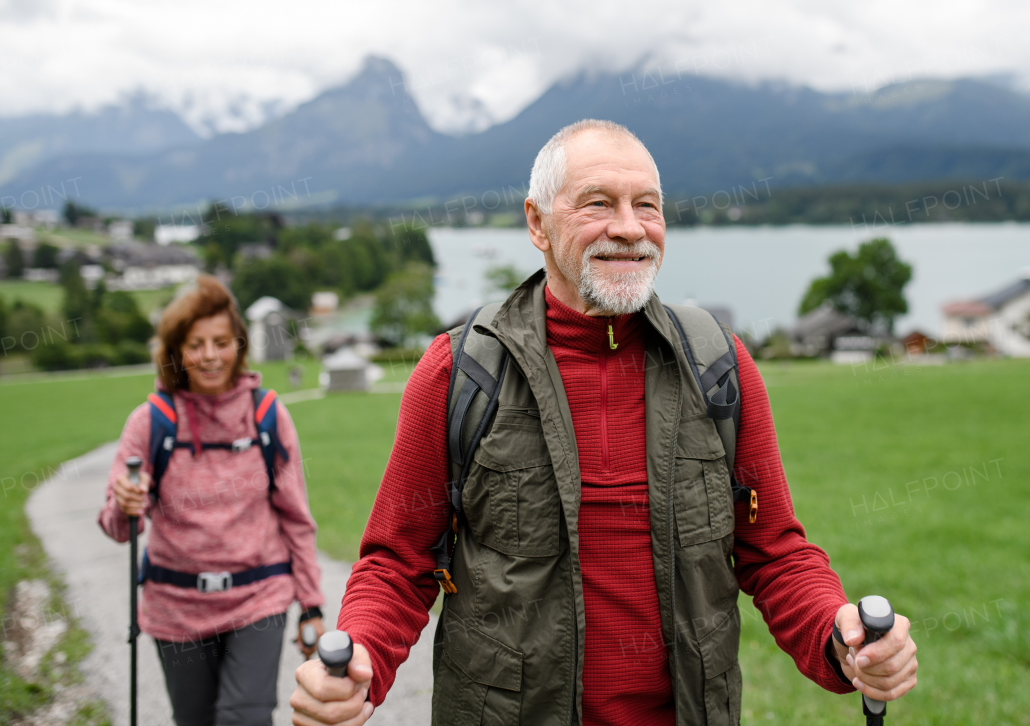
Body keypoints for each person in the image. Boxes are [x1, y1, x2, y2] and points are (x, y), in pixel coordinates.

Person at [291, 120, 918, 726]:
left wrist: (841, 638)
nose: (628, 228)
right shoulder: (460, 372)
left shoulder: (720, 365)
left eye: (646, 205)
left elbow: (774, 551)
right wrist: (362, 658)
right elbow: (398, 562)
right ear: (536, 221)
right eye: (597, 204)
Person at [99, 274, 325, 726]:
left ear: (239, 345)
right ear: (176, 350)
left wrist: (312, 605)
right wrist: (124, 504)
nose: (208, 356)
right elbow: (118, 527)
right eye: (195, 344)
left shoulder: (267, 416)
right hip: (175, 606)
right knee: (195, 719)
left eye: (220, 342)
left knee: (246, 718)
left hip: (258, 598)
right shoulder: (150, 423)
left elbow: (296, 518)